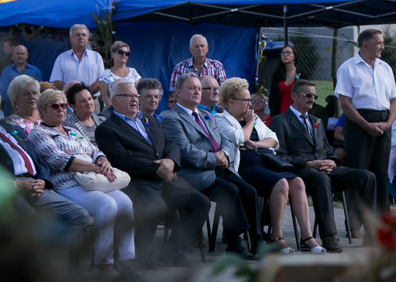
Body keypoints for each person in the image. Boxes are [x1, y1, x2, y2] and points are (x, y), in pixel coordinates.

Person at [95, 81, 210, 267]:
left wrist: (170, 162)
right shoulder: (107, 129)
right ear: (115, 101)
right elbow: (123, 159)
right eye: (128, 96)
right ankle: (142, 255)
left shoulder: (148, 120)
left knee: (200, 202)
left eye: (135, 95)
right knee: (155, 206)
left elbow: (171, 144)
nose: (134, 99)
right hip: (138, 181)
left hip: (165, 179)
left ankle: (174, 251)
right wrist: (158, 168)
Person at [27, 89, 135, 273]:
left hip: (93, 180)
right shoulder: (38, 132)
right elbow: (57, 159)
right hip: (67, 183)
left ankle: (126, 257)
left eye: (63, 105)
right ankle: (103, 262)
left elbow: (95, 151)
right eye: (55, 106)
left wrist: (103, 162)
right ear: (43, 110)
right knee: (106, 205)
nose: (61, 109)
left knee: (125, 202)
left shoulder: (72, 130)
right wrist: (94, 167)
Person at [215, 78, 322, 253]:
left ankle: (307, 237)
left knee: (298, 183)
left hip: (265, 160)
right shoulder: (220, 119)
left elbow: (274, 139)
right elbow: (239, 138)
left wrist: (256, 144)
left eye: (250, 100)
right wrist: (249, 123)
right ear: (230, 101)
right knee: (281, 183)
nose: (249, 105)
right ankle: (276, 236)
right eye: (245, 101)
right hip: (244, 166)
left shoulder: (254, 117)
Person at [0, 84, 89, 241]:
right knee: (32, 223)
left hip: (36, 184)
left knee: (79, 215)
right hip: (9, 189)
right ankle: (43, 259)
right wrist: (16, 185)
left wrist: (43, 181)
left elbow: (34, 154)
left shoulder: (11, 128)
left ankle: (50, 254)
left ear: (0, 105)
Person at [272, 79, 376, 253]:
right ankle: (329, 237)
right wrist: (308, 163)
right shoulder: (280, 121)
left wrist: (331, 162)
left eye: (314, 96)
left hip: (324, 169)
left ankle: (372, 234)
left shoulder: (317, 121)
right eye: (307, 95)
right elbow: (280, 155)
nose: (312, 99)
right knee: (321, 179)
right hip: (300, 171)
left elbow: (327, 151)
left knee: (367, 177)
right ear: (294, 96)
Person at [160, 73, 257, 259]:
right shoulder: (172, 119)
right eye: (192, 88)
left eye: (198, 88)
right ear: (178, 92)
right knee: (230, 190)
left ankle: (254, 241)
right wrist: (214, 158)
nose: (197, 91)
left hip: (218, 168)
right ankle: (234, 244)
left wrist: (225, 154)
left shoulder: (206, 115)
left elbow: (226, 140)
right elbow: (186, 151)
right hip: (193, 174)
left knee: (247, 190)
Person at [335, 28, 396, 215]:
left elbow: (394, 101)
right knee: (358, 173)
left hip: (383, 123)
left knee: (380, 174)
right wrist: (366, 125)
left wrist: (388, 124)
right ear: (365, 44)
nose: (382, 47)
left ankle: (381, 222)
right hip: (358, 123)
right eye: (379, 43)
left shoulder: (385, 68)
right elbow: (345, 103)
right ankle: (355, 222)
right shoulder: (348, 68)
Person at [49, 24, 104, 96]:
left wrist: (85, 94)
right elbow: (56, 81)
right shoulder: (61, 58)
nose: (81, 37)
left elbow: (101, 80)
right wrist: (72, 95)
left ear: (87, 39)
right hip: (68, 101)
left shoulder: (96, 57)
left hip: (91, 101)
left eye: (83, 35)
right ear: (71, 39)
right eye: (78, 35)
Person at [0, 44, 43, 113]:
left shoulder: (35, 71)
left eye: (23, 54)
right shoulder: (6, 71)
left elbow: (39, 90)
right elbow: (3, 92)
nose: (20, 56)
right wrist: (17, 104)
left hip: (31, 112)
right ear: (13, 56)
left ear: (27, 55)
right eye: (18, 54)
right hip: (11, 112)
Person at [97, 40, 140, 107]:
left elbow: (137, 93)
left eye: (127, 53)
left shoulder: (133, 72)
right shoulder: (105, 74)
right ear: (112, 54)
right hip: (112, 111)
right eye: (121, 52)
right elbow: (105, 96)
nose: (124, 55)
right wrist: (114, 111)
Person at [267, 44, 302, 117]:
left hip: (297, 113)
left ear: (294, 56)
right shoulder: (277, 75)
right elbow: (272, 97)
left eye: (288, 52)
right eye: (283, 53)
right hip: (280, 114)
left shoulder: (302, 75)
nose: (285, 55)